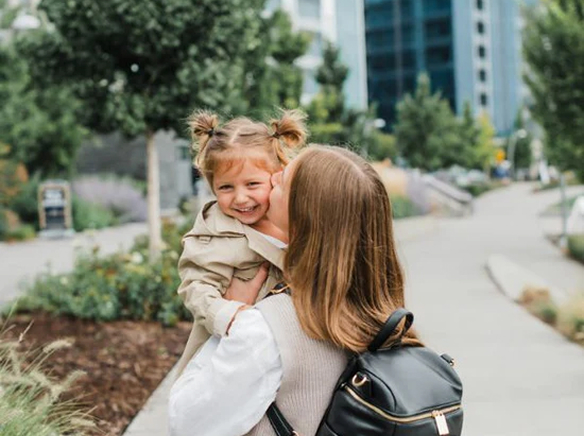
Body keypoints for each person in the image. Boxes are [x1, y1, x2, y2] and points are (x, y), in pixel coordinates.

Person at [169, 145, 422, 436]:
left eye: (283, 180)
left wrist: (231, 322)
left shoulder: (266, 329)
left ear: (302, 213)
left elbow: (186, 422)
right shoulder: (376, 313)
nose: (273, 177)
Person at [174, 109, 307, 377]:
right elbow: (196, 286)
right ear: (212, 186)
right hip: (233, 355)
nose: (241, 198)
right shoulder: (215, 234)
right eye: (226, 187)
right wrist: (229, 314)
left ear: (277, 175)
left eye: (252, 184)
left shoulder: (292, 219)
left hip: (287, 348)